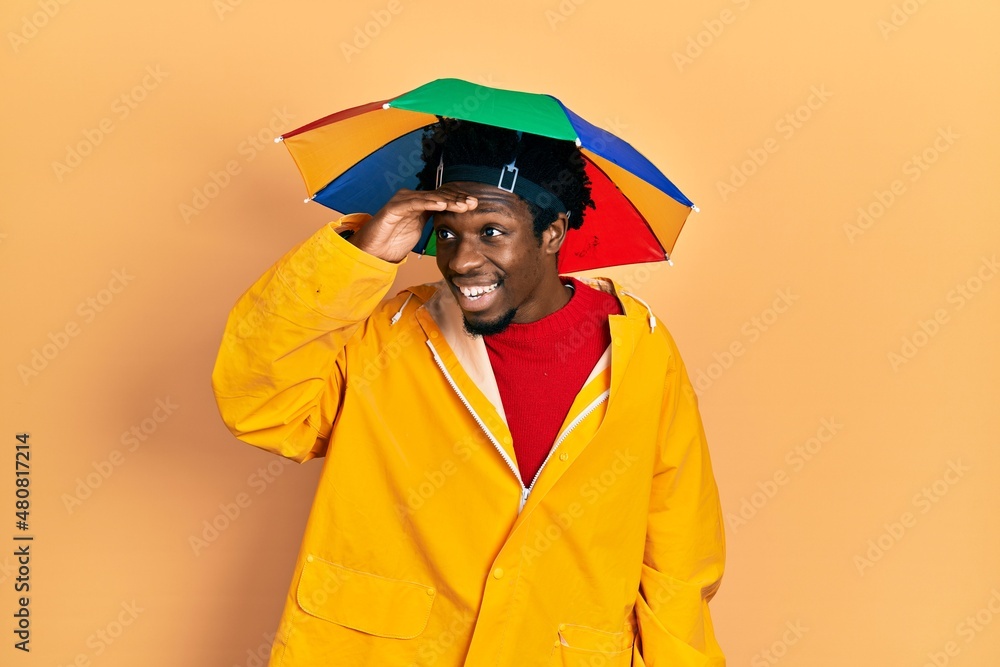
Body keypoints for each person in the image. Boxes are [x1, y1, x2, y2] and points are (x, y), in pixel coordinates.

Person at [211, 117, 726, 666]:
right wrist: (362, 257)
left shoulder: (641, 352)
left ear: (552, 232)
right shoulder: (389, 334)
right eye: (448, 233)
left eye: (493, 231)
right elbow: (260, 405)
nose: (460, 260)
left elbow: (679, 553)